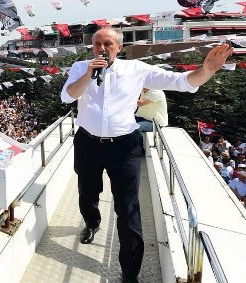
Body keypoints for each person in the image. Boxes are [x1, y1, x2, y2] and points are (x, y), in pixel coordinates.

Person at [61, 27, 232, 283]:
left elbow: (180, 82)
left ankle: (130, 272)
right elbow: (68, 96)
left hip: (124, 147)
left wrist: (206, 70)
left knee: (128, 208)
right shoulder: (80, 68)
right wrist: (88, 74)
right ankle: (92, 222)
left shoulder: (136, 70)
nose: (101, 48)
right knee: (87, 191)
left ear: (119, 47)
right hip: (88, 143)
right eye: (97, 43)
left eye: (108, 43)